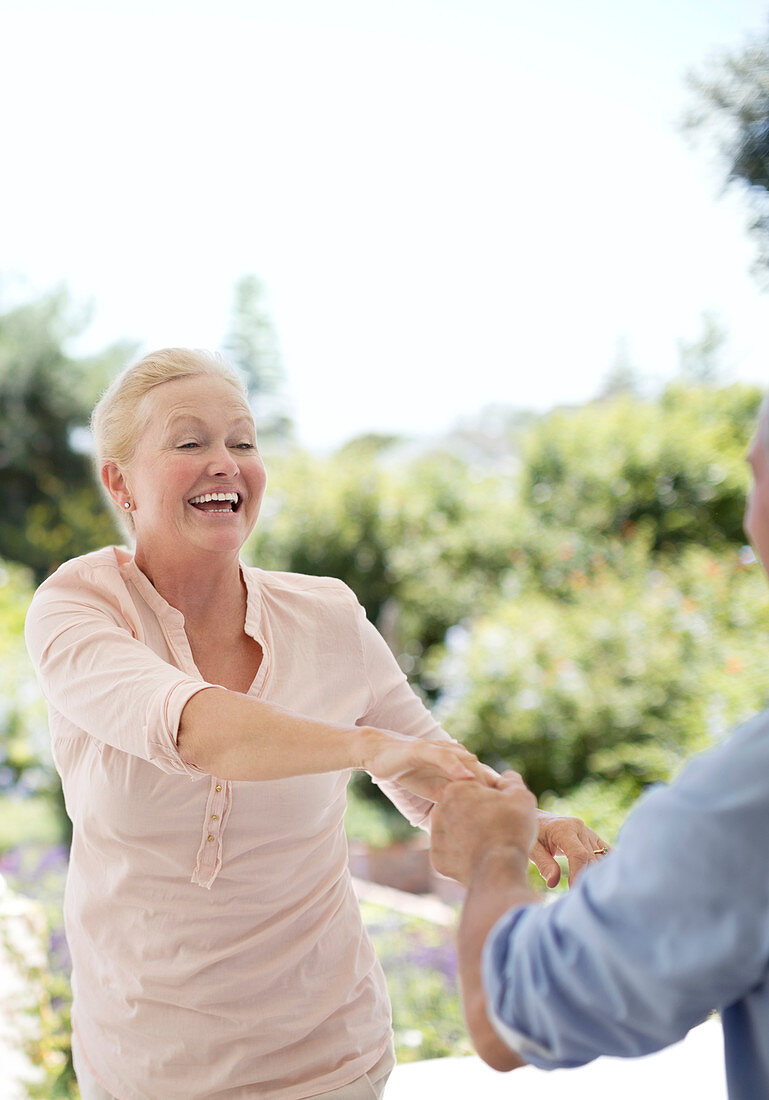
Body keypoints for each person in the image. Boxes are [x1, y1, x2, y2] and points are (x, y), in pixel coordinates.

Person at [25, 347, 607, 1100]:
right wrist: (371, 748)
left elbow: (427, 769)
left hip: (330, 1059)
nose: (224, 462)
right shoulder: (80, 609)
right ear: (119, 481)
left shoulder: (327, 615)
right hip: (146, 1066)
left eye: (242, 441)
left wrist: (527, 820)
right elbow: (197, 731)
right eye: (189, 442)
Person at [430, 398, 769, 1100]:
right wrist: (642, 908)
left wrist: (492, 853)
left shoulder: (745, 798)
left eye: (757, 480)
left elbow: (507, 1013)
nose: (747, 519)